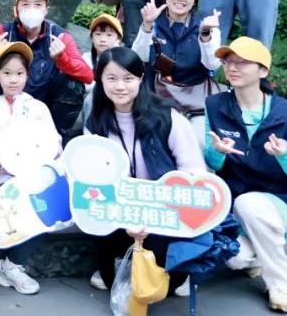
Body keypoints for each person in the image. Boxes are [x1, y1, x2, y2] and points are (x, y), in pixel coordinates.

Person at [205, 37, 287, 314]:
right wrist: (218, 152)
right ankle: (260, 251)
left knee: (250, 204)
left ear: (263, 71)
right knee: (234, 257)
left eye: (242, 62)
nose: (233, 67)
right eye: (228, 61)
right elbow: (212, 163)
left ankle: (282, 284)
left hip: (284, 200)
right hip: (236, 203)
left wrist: (285, 154)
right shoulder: (215, 105)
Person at [83, 46, 206, 297]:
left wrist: (151, 215)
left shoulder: (167, 118)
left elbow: (193, 172)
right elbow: (93, 179)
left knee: (163, 286)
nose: (120, 86)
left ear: (140, 79)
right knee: (112, 280)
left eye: (128, 78)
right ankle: (120, 264)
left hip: (164, 209)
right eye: (111, 78)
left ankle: (172, 268)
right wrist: (125, 216)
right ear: (100, 80)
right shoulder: (95, 123)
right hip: (119, 209)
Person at [0, 42, 61, 296]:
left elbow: (54, 144)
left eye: (19, 73)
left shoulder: (38, 107)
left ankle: (11, 265)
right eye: (7, 73)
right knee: (23, 206)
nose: (13, 80)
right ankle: (12, 265)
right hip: (5, 178)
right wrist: (13, 128)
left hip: (36, 174)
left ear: (27, 75)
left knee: (51, 210)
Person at [0, 0, 92, 137]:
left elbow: (87, 76)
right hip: (11, 98)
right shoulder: (3, 33)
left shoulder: (59, 36)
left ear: (46, 10)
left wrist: (62, 58)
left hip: (46, 102)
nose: (32, 9)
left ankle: (57, 136)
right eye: (25, 4)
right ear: (16, 10)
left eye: (38, 4)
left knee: (73, 85)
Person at [131, 0, 222, 147]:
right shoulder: (154, 21)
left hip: (195, 104)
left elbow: (212, 64)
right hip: (157, 99)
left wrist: (205, 35)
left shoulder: (206, 25)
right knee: (151, 139)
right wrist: (147, 25)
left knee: (199, 143)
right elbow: (138, 58)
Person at [78, 13, 125, 127]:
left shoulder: (124, 59)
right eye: (98, 34)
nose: (102, 39)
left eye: (109, 35)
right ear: (92, 38)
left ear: (118, 39)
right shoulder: (86, 59)